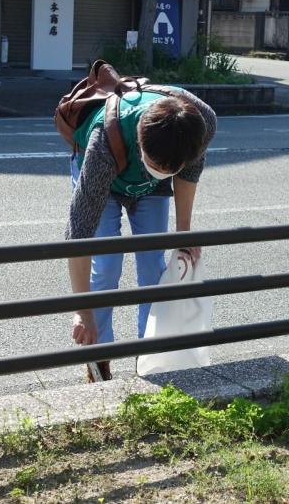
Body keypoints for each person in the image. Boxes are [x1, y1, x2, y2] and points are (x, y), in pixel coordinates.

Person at [65, 84, 217, 381]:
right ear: (139, 141)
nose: (155, 169)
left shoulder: (199, 123)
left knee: (153, 268)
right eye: (152, 164)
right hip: (107, 183)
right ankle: (99, 361)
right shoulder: (104, 144)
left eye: (166, 168)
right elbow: (78, 235)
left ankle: (149, 358)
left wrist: (183, 236)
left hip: (153, 190)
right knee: (107, 265)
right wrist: (82, 311)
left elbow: (189, 172)